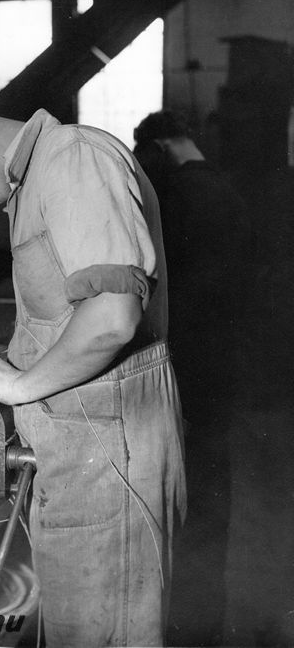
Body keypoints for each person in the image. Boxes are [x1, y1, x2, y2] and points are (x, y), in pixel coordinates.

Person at [0, 91, 186, 648]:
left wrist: (19, 384)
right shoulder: (33, 185)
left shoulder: (73, 157)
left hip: (110, 459)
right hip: (82, 456)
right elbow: (68, 323)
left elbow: (112, 319)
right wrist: (5, 366)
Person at [133, 110, 252, 647]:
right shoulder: (228, 188)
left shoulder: (178, 194)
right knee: (214, 482)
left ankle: (185, 619)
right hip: (225, 357)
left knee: (185, 489)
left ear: (158, 146)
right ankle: (210, 615)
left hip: (188, 359)